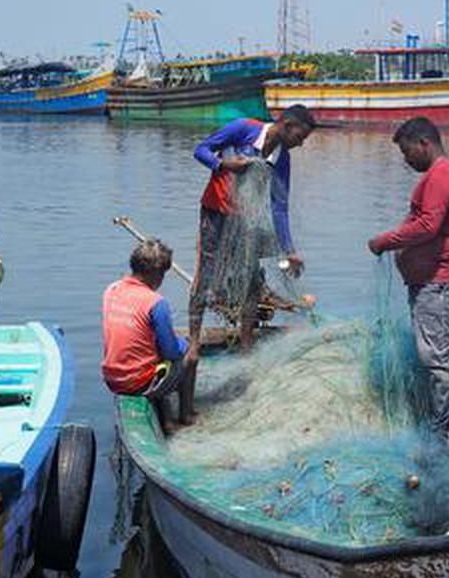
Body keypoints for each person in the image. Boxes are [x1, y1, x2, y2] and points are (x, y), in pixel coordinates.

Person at [181, 104, 317, 423]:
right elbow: (200, 150)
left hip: (248, 220)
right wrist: (224, 164)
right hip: (215, 213)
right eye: (301, 135)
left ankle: (245, 346)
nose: (302, 143)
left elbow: (279, 207)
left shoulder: (282, 158)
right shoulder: (244, 128)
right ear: (286, 124)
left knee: (252, 283)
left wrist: (289, 249)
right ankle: (194, 345)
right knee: (206, 276)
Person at [368, 117, 449, 442]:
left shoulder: (441, 175)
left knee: (435, 360)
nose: (406, 159)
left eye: (406, 151)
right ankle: (444, 420)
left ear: (423, 142)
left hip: (438, 283)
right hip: (431, 282)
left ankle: (439, 433)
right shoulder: (439, 174)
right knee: (439, 354)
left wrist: (385, 240)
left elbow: (428, 225)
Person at [102, 239, 190, 433]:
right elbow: (172, 352)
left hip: (111, 378)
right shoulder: (156, 302)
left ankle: (166, 421)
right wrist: (185, 345)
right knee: (188, 357)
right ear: (156, 274)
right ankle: (186, 416)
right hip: (136, 381)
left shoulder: (112, 290)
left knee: (155, 353)